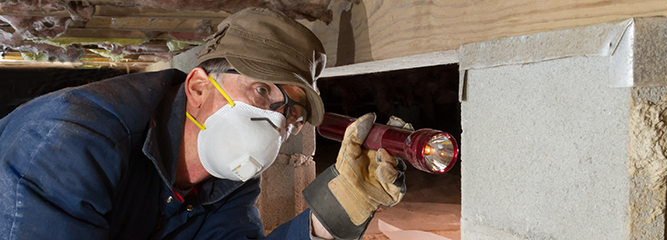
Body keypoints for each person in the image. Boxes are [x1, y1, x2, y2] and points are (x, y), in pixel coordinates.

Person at [0, 7, 405, 240]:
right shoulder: (70, 143)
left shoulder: (227, 181)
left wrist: (327, 219)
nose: (275, 120)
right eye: (262, 90)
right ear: (197, 87)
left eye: (292, 112)